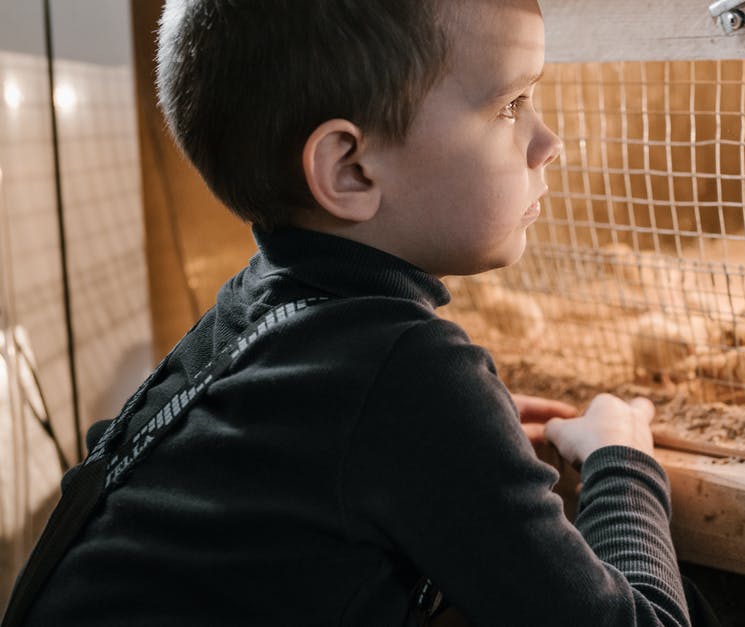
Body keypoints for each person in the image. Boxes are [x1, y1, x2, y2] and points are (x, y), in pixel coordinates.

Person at [13, 0, 701, 624]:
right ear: (349, 170)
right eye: (509, 105)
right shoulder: (406, 373)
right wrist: (621, 459)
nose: (548, 142)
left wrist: (460, 440)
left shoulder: (255, 307)